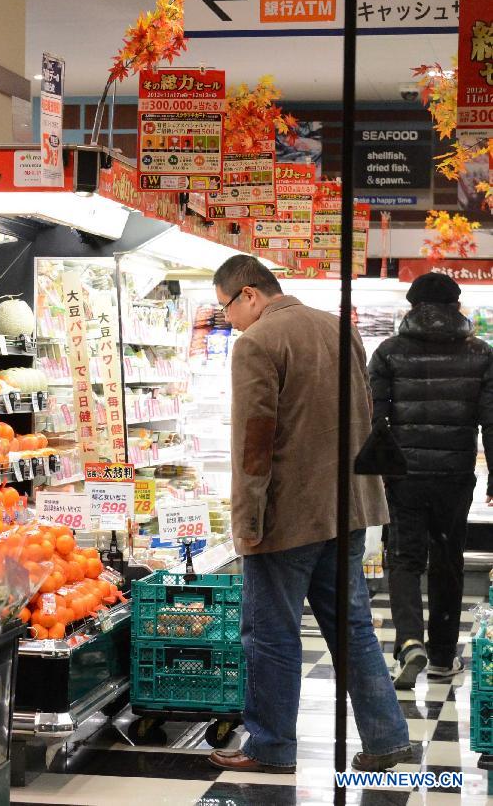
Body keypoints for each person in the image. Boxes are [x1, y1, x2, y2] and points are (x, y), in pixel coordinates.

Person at [207, 255, 411, 774]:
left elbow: (255, 441)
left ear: (249, 294)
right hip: (348, 508)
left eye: (226, 307)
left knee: (271, 635)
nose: (227, 319)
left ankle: (271, 747)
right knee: (353, 628)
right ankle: (387, 740)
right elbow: (363, 413)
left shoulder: (257, 343)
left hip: (287, 515)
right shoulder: (338, 328)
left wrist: (246, 520)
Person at [368, 272, 493, 689]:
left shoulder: (388, 353)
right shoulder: (482, 355)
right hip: (455, 475)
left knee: (404, 559)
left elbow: (376, 421)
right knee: (448, 562)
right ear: (457, 307)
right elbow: (492, 424)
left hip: (404, 476)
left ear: (412, 307)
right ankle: (442, 656)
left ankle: (408, 643)